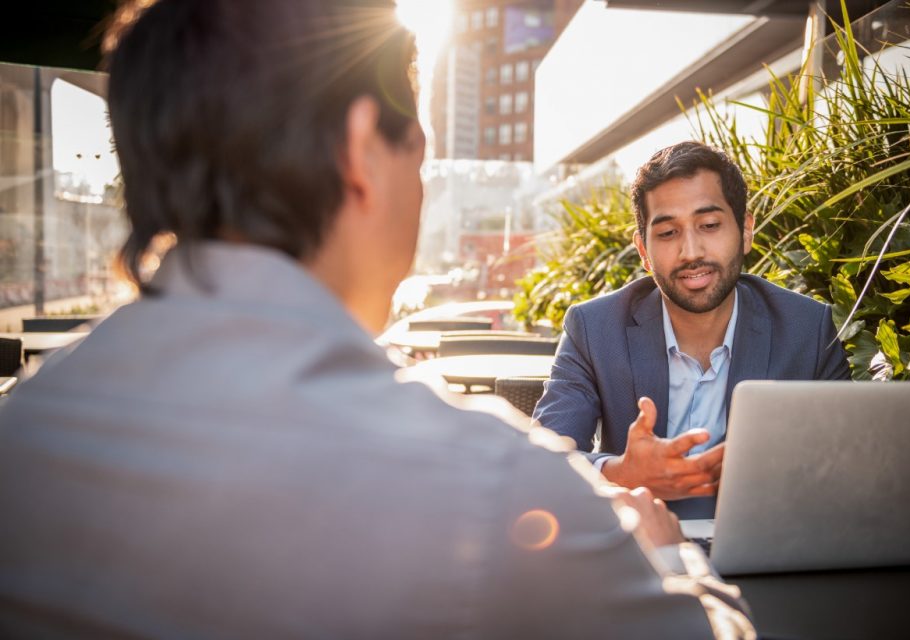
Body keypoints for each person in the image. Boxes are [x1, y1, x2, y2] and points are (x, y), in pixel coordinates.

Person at [0, 1, 754, 637]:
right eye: (418, 155)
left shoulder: (20, 436)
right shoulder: (491, 482)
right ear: (364, 151)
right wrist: (669, 558)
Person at [533, 141, 850, 520]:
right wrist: (619, 475)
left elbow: (845, 466)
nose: (690, 252)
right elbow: (544, 458)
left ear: (745, 230)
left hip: (766, 549)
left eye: (710, 225)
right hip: (641, 554)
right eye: (667, 233)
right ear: (644, 251)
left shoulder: (807, 329)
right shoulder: (594, 328)